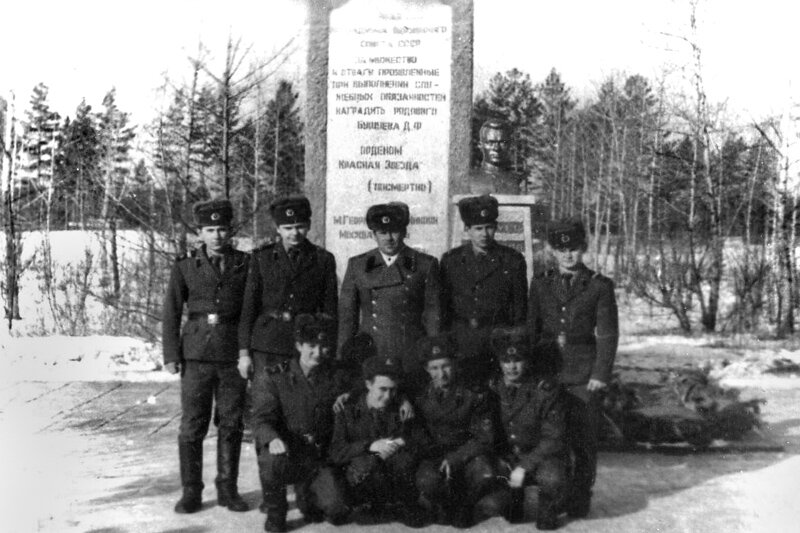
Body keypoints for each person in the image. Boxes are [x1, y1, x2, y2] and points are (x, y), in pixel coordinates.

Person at [162, 199, 250, 514]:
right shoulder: (185, 264)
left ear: (230, 231)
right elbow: (171, 311)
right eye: (210, 229)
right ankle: (191, 492)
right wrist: (171, 354)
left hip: (230, 353)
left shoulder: (245, 264)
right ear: (200, 232)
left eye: (222, 229)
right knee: (192, 425)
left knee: (231, 423)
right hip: (196, 354)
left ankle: (228, 488)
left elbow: (249, 312)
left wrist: (246, 352)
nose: (217, 236)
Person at [527, 218, 619, 519]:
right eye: (562, 249)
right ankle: (554, 498)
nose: (568, 256)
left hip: (583, 376)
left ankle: (580, 497)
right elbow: (533, 331)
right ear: (552, 250)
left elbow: (607, 334)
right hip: (550, 372)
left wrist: (600, 375)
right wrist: (535, 373)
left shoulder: (598, 286)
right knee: (554, 440)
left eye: (575, 249)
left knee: (583, 441)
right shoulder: (540, 285)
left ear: (584, 249)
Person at [251, 313, 351, 532]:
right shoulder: (275, 376)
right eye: (311, 345)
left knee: (337, 509)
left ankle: (306, 493)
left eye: (323, 346)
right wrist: (273, 438)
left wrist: (348, 397)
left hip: (318, 457)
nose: (317, 352)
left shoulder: (336, 375)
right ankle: (276, 510)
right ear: (298, 345)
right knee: (270, 458)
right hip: (289, 452)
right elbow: (260, 420)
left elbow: (366, 389)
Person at [238, 195, 337, 380]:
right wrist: (244, 354)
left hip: (305, 346)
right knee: (266, 403)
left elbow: (329, 308)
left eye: (299, 226)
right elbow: (248, 308)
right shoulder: (261, 258)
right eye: (287, 228)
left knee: (299, 404)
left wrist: (325, 347)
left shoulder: (323, 259)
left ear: (308, 225)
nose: (294, 233)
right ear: (278, 229)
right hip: (267, 344)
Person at [338, 202, 441, 380]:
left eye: (394, 231)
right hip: (370, 351)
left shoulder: (425, 264)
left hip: (410, 351)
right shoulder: (358, 265)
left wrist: (434, 355)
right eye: (382, 233)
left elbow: (433, 315)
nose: (389, 238)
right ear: (373, 235)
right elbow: (347, 318)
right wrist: (342, 359)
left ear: (404, 232)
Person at [413, 334, 505, 528]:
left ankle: (466, 505)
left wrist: (456, 458)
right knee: (427, 481)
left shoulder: (474, 394)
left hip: (467, 453)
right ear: (426, 370)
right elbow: (416, 431)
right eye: (435, 368)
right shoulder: (419, 396)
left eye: (446, 366)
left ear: (455, 364)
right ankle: (444, 504)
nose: (442, 373)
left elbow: (484, 438)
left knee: (484, 474)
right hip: (435, 454)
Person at [328, 355, 428, 528]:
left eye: (393, 390)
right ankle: (364, 501)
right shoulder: (347, 410)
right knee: (335, 511)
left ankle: (399, 503)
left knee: (405, 460)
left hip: (392, 471)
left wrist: (401, 442)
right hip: (360, 474)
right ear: (367, 385)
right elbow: (336, 451)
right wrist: (369, 446)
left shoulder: (402, 408)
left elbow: (421, 439)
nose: (388, 396)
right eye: (382, 389)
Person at [441, 194, 527, 387]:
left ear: (496, 227)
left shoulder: (512, 260)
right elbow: (442, 308)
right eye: (478, 228)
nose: (484, 234)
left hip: (498, 345)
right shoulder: (450, 261)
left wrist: (512, 346)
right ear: (467, 230)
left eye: (489, 227)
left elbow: (520, 310)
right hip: (462, 343)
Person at [490, 327, 567, 530]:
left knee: (552, 477)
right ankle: (514, 499)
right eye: (506, 361)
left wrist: (524, 466)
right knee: (482, 471)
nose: (511, 367)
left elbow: (554, 439)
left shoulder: (544, 391)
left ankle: (548, 507)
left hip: (539, 456)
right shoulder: (493, 388)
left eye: (517, 361)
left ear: (527, 361)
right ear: (499, 363)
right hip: (509, 456)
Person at [469, 119, 525, 195]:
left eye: (502, 142)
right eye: (490, 142)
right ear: (480, 145)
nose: (496, 148)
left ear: (509, 145)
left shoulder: (517, 180)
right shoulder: (470, 178)